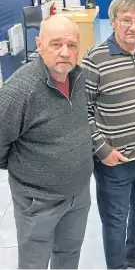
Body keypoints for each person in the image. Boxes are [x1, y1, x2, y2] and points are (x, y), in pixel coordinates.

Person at [82, 0, 135, 270]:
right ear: (114, 21)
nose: (133, 27)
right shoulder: (95, 58)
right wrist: (102, 150)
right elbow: (82, 111)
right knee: (116, 220)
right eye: (126, 20)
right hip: (115, 162)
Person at [0, 16, 93, 269]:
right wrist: (29, 171)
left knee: (69, 254)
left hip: (78, 194)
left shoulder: (79, 76)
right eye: (56, 44)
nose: (65, 52)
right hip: (38, 202)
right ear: (39, 45)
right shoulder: (20, 90)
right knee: (34, 264)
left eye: (72, 45)